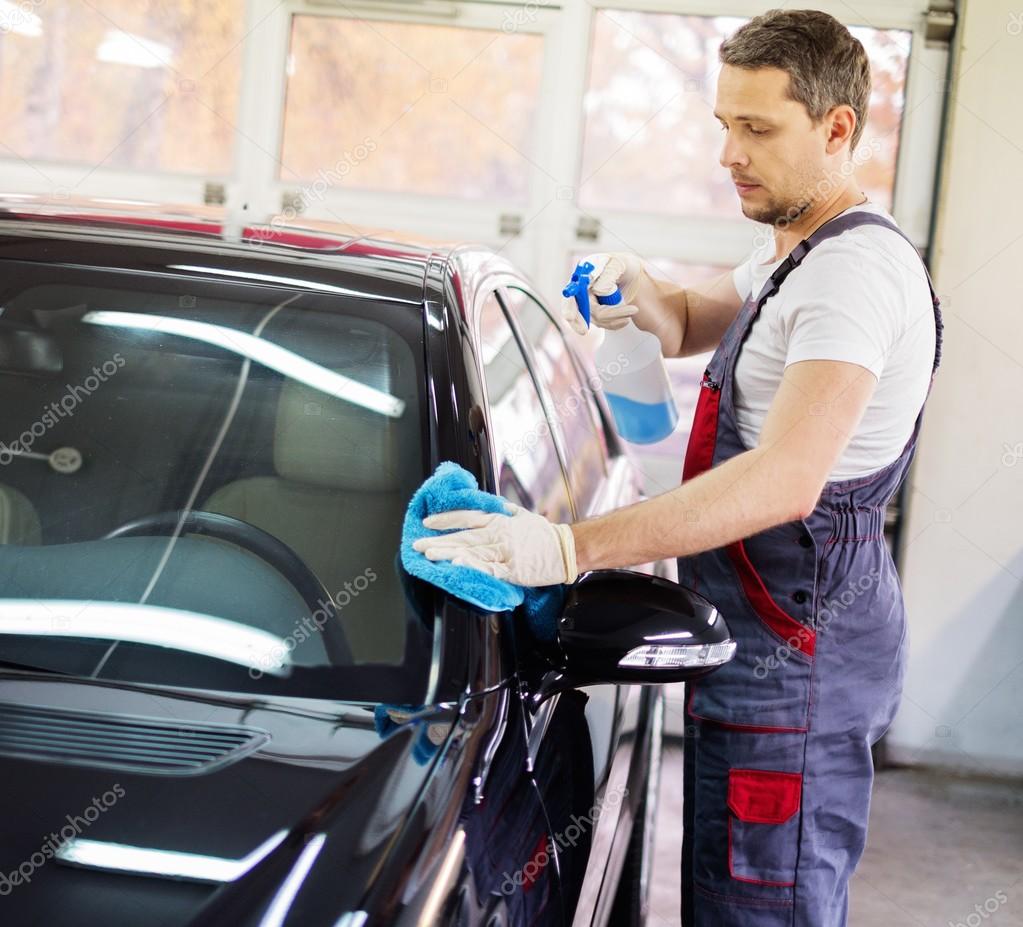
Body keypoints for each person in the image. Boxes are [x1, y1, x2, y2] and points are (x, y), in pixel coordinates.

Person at [413, 9, 943, 926]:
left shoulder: (853, 278)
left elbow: (784, 481)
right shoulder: (795, 245)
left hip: (797, 658)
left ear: (837, 129)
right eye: (724, 126)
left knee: (760, 906)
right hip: (765, 642)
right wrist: (640, 294)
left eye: (758, 130)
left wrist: (567, 546)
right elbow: (695, 317)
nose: (730, 154)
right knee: (731, 892)